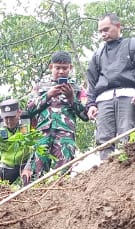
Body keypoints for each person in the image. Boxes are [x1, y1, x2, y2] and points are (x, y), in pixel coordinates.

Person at [85, 13, 135, 156]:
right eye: (100, 31)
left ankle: (128, 166)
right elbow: (91, 82)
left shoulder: (134, 44)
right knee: (104, 140)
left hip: (127, 95)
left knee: (127, 133)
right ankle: (107, 172)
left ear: (118, 26)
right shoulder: (98, 54)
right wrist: (91, 104)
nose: (103, 34)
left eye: (106, 29)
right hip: (103, 99)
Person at [22, 51, 90, 181]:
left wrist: (72, 98)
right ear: (51, 67)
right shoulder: (40, 87)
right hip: (42, 133)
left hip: (66, 135)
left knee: (64, 173)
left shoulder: (77, 89)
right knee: (35, 171)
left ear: (70, 68)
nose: (61, 71)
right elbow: (28, 110)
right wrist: (47, 95)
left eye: (64, 68)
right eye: (57, 67)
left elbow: (86, 116)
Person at [0, 99, 34, 185]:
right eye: (6, 118)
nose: (9, 121)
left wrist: (28, 167)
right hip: (7, 165)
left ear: (19, 113)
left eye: (12, 117)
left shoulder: (29, 119)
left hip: (25, 162)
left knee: (30, 182)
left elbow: (36, 145)